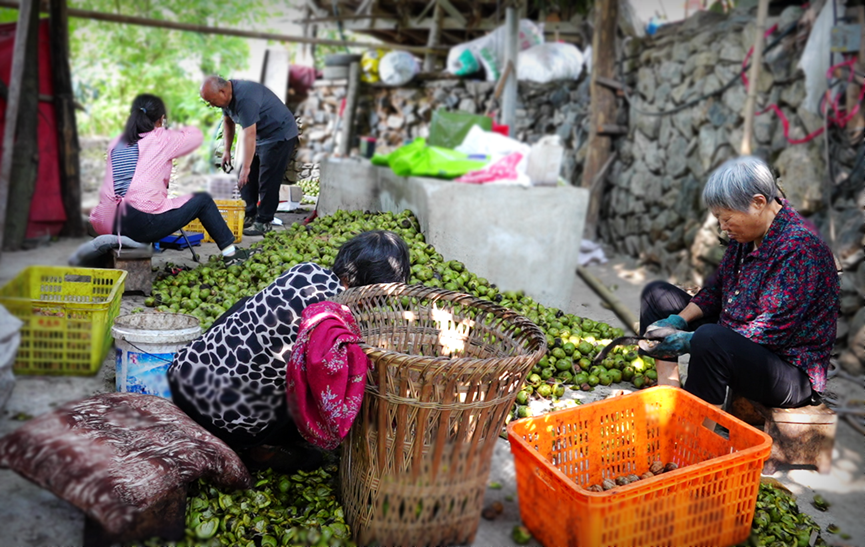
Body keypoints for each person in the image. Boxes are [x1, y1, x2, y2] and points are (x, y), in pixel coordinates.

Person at [167, 230, 411, 470]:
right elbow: (328, 392)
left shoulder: (306, 270)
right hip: (224, 419)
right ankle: (263, 451)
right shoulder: (336, 322)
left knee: (248, 308)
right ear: (373, 291)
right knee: (312, 383)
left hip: (182, 380)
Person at [639, 156, 839, 411]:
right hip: (735, 336)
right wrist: (678, 320)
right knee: (656, 295)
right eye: (719, 219)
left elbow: (770, 333)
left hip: (788, 370)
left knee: (709, 339)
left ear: (758, 203)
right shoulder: (747, 234)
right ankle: (669, 398)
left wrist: (690, 340)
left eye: (727, 218)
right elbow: (716, 290)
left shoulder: (800, 249)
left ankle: (694, 434)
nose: (723, 228)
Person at [89, 94, 249, 266]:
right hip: (140, 224)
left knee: (154, 202)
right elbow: (196, 136)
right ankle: (231, 255)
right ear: (161, 119)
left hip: (107, 221)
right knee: (203, 201)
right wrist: (176, 125)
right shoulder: (160, 138)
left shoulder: (116, 142)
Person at [199, 75, 299, 237]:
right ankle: (249, 213)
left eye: (212, 101)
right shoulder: (226, 99)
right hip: (261, 134)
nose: (212, 104)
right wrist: (226, 151)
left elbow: (249, 134)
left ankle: (264, 221)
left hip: (279, 134)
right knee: (246, 177)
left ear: (223, 91)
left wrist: (246, 167)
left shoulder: (246, 98)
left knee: (268, 177)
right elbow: (228, 122)